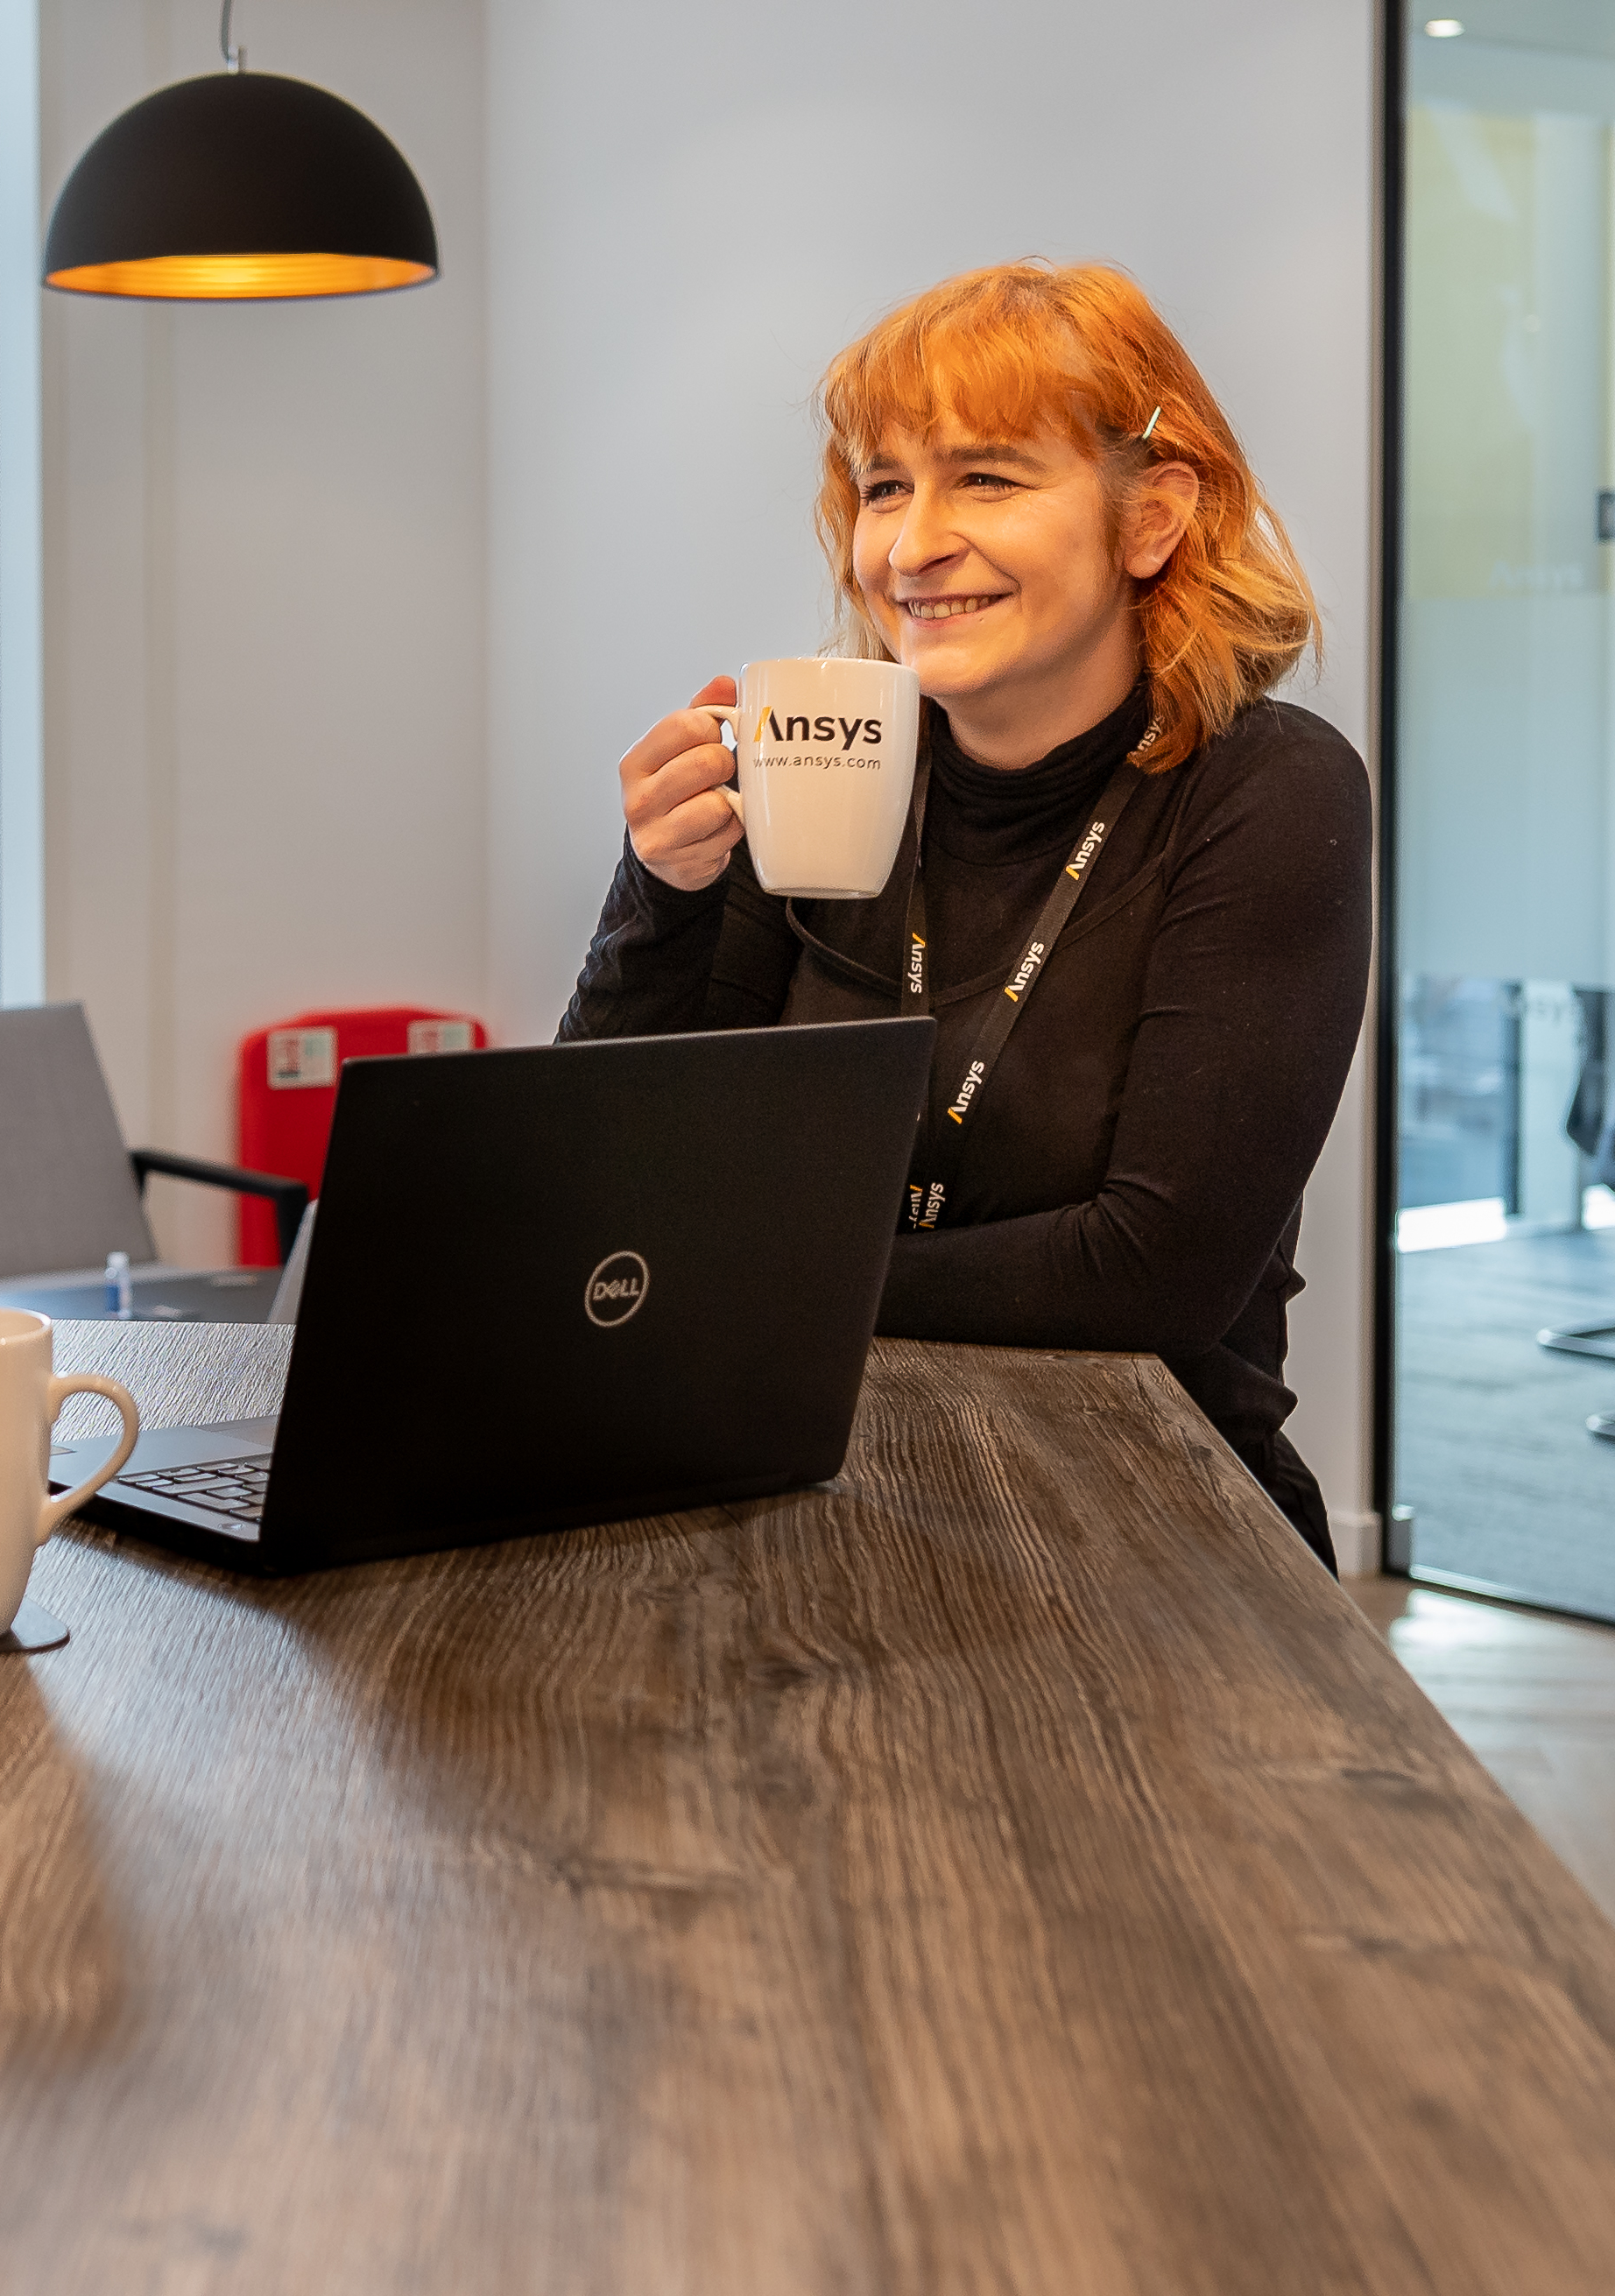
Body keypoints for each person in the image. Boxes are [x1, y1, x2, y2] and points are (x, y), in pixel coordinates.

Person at [557, 260, 1368, 1557]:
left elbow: (1156, 1271)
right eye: (885, 485)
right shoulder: (818, 750)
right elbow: (603, 1178)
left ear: (1152, 516)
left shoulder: (1269, 790)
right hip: (801, 1488)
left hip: (1155, 1526)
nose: (912, 543)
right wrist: (664, 887)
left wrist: (741, 1283)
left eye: (986, 476)